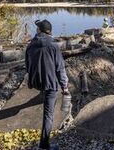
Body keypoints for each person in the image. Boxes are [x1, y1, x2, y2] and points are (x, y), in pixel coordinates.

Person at [25, 19, 69, 150]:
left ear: (40, 30)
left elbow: (27, 65)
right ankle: (44, 146)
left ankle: (41, 92)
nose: (36, 29)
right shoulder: (54, 45)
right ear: (49, 32)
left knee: (45, 90)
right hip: (50, 84)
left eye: (37, 28)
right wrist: (65, 87)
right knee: (48, 114)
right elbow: (60, 68)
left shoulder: (31, 45)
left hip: (35, 82)